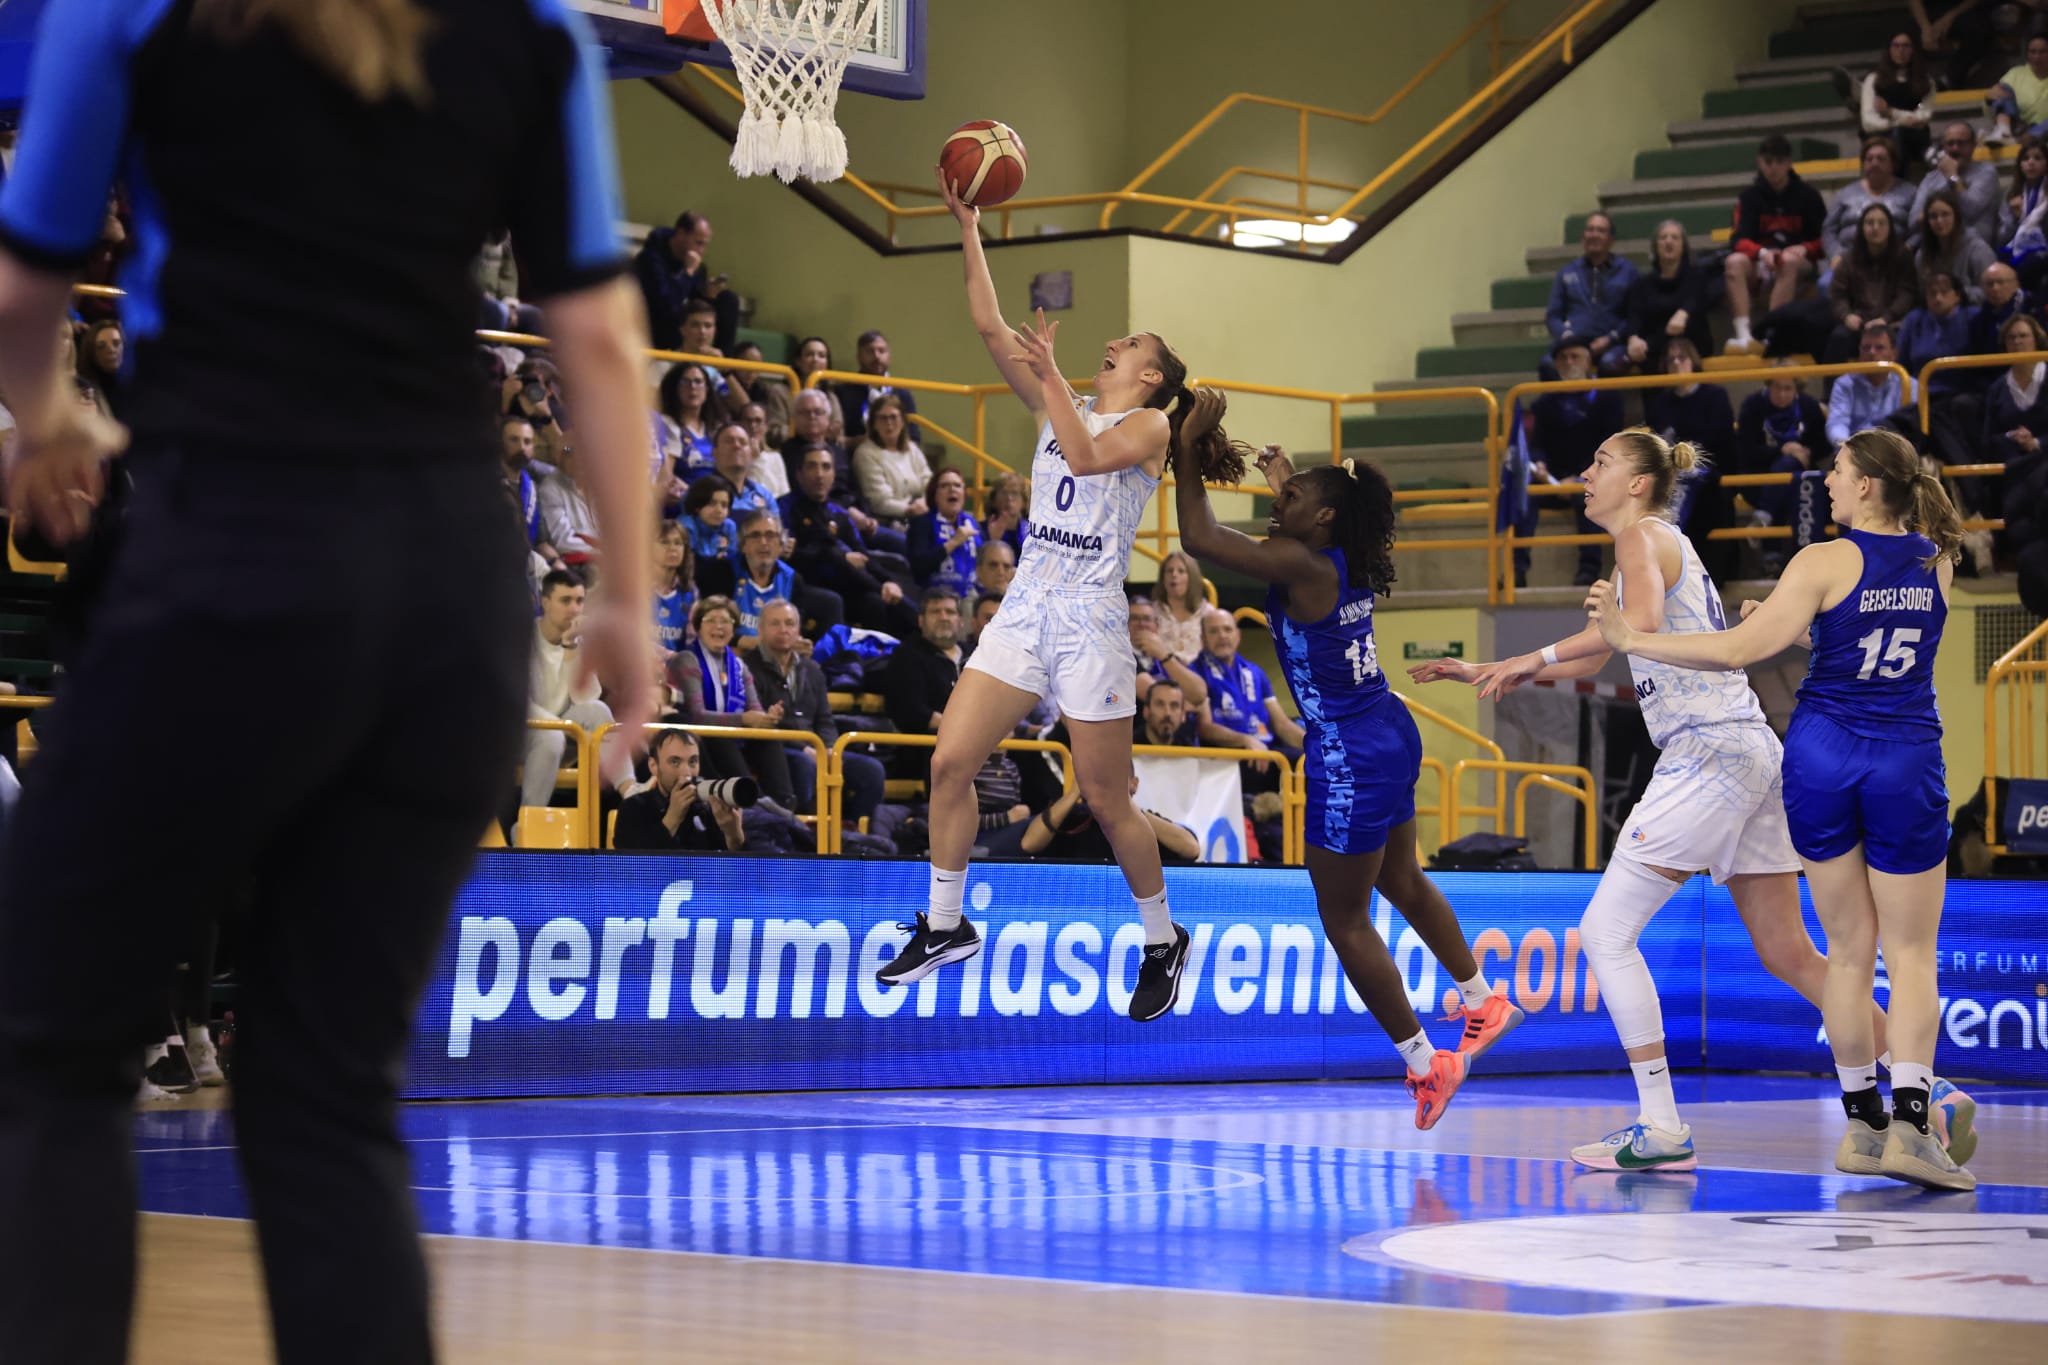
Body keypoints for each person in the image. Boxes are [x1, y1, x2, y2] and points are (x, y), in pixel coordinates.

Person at [0, 4, 660, 1358]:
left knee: (49, 1048)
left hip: (235, 549)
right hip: (452, 597)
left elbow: (22, 286)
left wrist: (49, 406)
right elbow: (596, 338)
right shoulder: (530, 27)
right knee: (327, 1095)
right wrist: (631, 595)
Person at [1426, 428, 1920, 1175]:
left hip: (1707, 754)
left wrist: (1596, 636)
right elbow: (1612, 638)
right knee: (1791, 952)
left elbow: (1638, 629)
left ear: (1635, 483)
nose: (1585, 474)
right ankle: (1929, 1091)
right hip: (1754, 748)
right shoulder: (1661, 538)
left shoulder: (1638, 540)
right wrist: (1518, 663)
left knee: (1604, 932)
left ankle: (1661, 1122)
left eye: (1599, 462)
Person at [877, 167, 1251, 1022]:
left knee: (1108, 796)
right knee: (948, 761)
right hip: (1027, 604)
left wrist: (1046, 374)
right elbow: (984, 321)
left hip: (1089, 617)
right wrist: (969, 224)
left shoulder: (1149, 426)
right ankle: (944, 923)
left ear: (1153, 378)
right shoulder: (1065, 401)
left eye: (1130, 345)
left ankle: (1163, 936)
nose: (1111, 346)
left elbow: (1086, 457)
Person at [1586, 428, 1977, 1191]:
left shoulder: (1821, 561)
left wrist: (1632, 636)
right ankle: (1913, 1121)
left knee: (1846, 945)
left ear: (1867, 485)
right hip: (1902, 754)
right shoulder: (1942, 560)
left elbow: (1739, 649)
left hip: (1822, 755)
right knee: (1911, 953)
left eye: (1837, 469)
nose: (1827, 479)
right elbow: (1875, 635)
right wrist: (1804, 620)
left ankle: (1862, 1124)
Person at [1173, 391, 1522, 1127]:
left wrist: (1186, 444)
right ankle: (1480, 996)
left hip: (1348, 750)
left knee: (1345, 918)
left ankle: (1430, 1064)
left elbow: (1200, 537)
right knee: (1401, 876)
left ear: (1323, 515)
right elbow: (1308, 525)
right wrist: (1287, 482)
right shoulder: (1344, 550)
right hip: (1389, 728)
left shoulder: (1304, 560)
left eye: (1291, 497)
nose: (1279, 500)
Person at [747, 598, 886, 831]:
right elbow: (761, 722)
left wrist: (831, 747)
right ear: (760, 630)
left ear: (798, 630)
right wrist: (806, 748)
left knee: (871, 771)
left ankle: (848, 831)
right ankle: (807, 834)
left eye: (789, 623)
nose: (784, 629)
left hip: (817, 747)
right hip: (777, 748)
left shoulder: (812, 669)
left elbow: (824, 719)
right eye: (775, 624)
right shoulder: (748, 667)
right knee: (805, 765)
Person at [664, 594, 796, 810]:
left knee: (767, 738)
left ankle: (785, 805)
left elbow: (755, 710)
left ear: (734, 629)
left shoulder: (739, 666)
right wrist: (744, 719)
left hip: (733, 738)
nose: (719, 627)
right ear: (698, 626)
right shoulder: (687, 660)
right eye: (711, 620)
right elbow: (698, 716)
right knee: (720, 734)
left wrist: (768, 717)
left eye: (726, 621)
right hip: (700, 741)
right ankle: (757, 805)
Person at [779, 445, 918, 636]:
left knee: (877, 601)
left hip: (849, 583)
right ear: (799, 474)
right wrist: (841, 558)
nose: (819, 474)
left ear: (834, 474)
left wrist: (888, 581)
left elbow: (863, 555)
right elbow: (791, 555)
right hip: (807, 582)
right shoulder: (785, 508)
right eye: (812, 466)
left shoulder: (839, 513)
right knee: (835, 556)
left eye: (826, 467)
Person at [526, 572, 636, 811]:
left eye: (579, 601)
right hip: (524, 735)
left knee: (597, 710)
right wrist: (557, 727)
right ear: (545, 603)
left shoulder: (579, 641)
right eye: (565, 601)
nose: (575, 609)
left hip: (564, 734)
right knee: (550, 736)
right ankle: (529, 818)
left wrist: (571, 645)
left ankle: (632, 792)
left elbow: (585, 700)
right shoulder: (524, 638)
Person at [1528, 335, 1627, 585]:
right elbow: (1537, 443)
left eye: (1575, 356)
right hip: (1553, 478)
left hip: (1593, 476)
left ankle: (1588, 568)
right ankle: (1516, 568)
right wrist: (1540, 464)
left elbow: (1611, 446)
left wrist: (1581, 476)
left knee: (1587, 495)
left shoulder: (1608, 397)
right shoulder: (1545, 401)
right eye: (1562, 358)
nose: (1568, 362)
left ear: (1588, 361)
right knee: (1520, 493)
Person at [1724, 134, 1827, 354]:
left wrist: (1805, 248)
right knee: (1733, 262)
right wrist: (1762, 253)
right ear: (1760, 162)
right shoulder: (1749, 197)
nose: (1773, 168)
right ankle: (1743, 335)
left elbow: (1825, 240)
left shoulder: (1809, 196)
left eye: (1779, 162)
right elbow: (1738, 240)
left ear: (1789, 163)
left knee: (1787, 261)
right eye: (1768, 162)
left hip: (1798, 263)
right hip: (1760, 261)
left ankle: (1772, 331)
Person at [1641, 339, 1736, 569]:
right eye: (1671, 359)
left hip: (1708, 476)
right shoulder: (1659, 403)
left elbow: (1721, 442)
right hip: (1673, 477)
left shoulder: (1715, 396)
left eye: (1681, 358)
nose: (1676, 363)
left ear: (1693, 361)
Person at [880, 587, 969, 784]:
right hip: (925, 749)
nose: (943, 617)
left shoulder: (976, 655)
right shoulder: (907, 656)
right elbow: (912, 713)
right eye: (935, 612)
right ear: (921, 620)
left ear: (960, 621)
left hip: (977, 743)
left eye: (950, 612)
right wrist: (966, 730)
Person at [613, 728, 747, 852]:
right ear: (653, 766)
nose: (686, 773)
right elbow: (631, 869)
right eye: (675, 762)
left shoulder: (710, 808)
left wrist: (734, 835)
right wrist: (673, 817)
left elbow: (740, 874)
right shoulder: (633, 808)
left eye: (693, 762)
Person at [1545, 211, 1638, 377]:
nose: (1594, 235)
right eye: (1590, 229)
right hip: (1572, 344)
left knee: (1611, 364)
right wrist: (1567, 337)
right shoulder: (1567, 272)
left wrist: (1610, 339)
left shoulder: (1628, 272)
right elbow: (1553, 316)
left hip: (1612, 345)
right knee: (1547, 365)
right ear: (1583, 237)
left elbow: (1634, 316)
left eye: (1601, 231)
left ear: (1611, 240)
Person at [635, 209, 739, 355]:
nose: (701, 250)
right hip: (654, 325)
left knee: (728, 300)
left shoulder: (696, 265)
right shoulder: (650, 260)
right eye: (698, 243)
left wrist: (708, 295)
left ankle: (723, 366)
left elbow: (695, 302)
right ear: (681, 234)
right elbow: (666, 305)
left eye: (705, 245)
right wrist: (688, 273)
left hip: (682, 321)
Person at [1825, 202, 1920, 362]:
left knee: (1907, 337)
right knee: (1838, 338)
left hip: (1892, 322)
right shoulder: (1848, 259)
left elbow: (1907, 294)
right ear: (1862, 227)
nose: (1875, 228)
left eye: (1881, 223)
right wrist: (1846, 316)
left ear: (1890, 227)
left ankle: (1905, 386)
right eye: (1870, 223)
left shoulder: (1902, 257)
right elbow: (1838, 295)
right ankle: (1834, 387)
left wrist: (1886, 318)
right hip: (1859, 323)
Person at [1621, 219, 1719, 372]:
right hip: (1653, 350)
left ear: (1683, 246)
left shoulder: (1697, 277)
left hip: (1692, 343)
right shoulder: (1642, 284)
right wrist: (1633, 339)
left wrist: (1683, 313)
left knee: (1677, 346)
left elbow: (1699, 300)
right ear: (1655, 246)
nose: (1668, 241)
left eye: (1675, 237)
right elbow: (1634, 315)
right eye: (1663, 237)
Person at [1908, 121, 2001, 250]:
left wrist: (1952, 175)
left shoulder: (1986, 173)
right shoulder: (1931, 178)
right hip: (1936, 249)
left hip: (1974, 249)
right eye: (1950, 144)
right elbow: (1913, 222)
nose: (1955, 149)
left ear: (1973, 145)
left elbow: (1970, 210)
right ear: (1943, 147)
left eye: (1961, 143)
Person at [852, 392, 933, 530]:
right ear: (874, 424)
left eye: (893, 417)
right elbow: (880, 502)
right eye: (883, 418)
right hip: (889, 520)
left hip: (920, 512)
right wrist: (909, 509)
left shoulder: (912, 449)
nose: (889, 423)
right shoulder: (865, 453)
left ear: (902, 421)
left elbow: (930, 483)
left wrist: (925, 502)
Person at [906, 465, 983, 595]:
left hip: (972, 593)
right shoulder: (922, 523)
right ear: (934, 495)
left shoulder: (973, 523)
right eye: (944, 485)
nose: (952, 489)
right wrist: (954, 542)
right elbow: (919, 566)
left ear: (964, 494)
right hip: (935, 593)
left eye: (957, 485)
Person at [1126, 595, 1211, 711]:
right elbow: (1158, 699)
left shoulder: (1165, 654)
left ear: (1157, 625)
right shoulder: (1120, 657)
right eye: (1134, 618)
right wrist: (1193, 706)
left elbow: (1200, 694)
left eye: (1146, 619)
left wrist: (1163, 655)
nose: (1141, 624)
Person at [834, 328, 919, 441]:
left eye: (881, 351)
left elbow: (914, 437)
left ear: (889, 357)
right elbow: (838, 439)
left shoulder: (902, 392)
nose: (877, 356)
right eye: (870, 351)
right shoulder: (844, 391)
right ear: (859, 357)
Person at [1915, 190, 1996, 304]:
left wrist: (1957, 294)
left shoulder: (1978, 249)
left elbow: (1991, 290)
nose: (1939, 221)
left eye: (1945, 214)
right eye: (1933, 216)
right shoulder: (1922, 255)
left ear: (1956, 217)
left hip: (1970, 309)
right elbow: (1923, 293)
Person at [1996, 136, 2048, 288]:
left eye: (2037, 158)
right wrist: (2015, 219)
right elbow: (2002, 237)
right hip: (2019, 248)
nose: (2031, 162)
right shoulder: (2012, 193)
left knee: (2030, 265)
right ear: (2020, 164)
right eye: (2025, 158)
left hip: (2044, 249)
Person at [657, 360, 718, 481]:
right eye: (686, 381)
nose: (692, 387)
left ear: (707, 389)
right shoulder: (666, 424)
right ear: (675, 388)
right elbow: (665, 479)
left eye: (698, 381)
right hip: (682, 497)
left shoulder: (715, 428)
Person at [1985, 30, 2048, 144]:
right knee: (2002, 88)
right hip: (2018, 128)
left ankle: (2029, 136)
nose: (2037, 57)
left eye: (2042, 52)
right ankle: (2004, 131)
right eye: (2032, 52)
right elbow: (1996, 102)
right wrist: (1989, 98)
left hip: (2044, 132)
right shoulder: (2015, 74)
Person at [651, 519, 697, 657]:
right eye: (664, 542)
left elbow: (692, 641)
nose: (672, 548)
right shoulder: (635, 587)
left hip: (675, 669)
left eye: (678, 543)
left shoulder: (691, 592)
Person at [681, 473, 738, 566]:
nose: (719, 510)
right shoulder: (686, 526)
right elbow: (686, 565)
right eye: (712, 503)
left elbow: (733, 559)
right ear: (697, 506)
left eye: (724, 505)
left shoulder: (729, 527)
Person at [982, 470, 1028, 559]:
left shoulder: (1034, 532)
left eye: (1014, 493)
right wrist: (992, 539)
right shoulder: (980, 529)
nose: (1009, 498)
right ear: (993, 500)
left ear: (1024, 502)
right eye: (1004, 493)